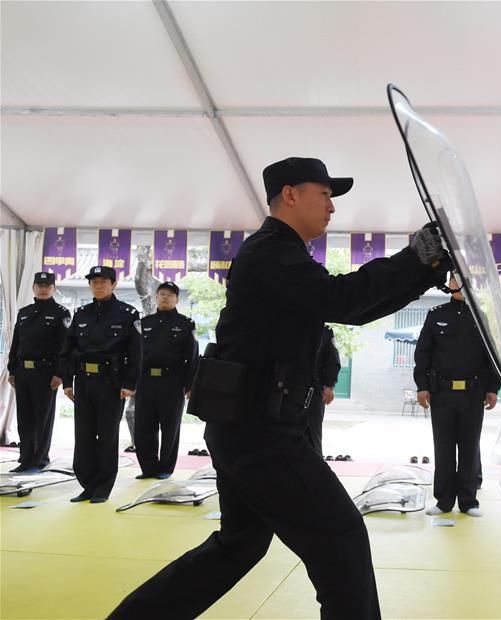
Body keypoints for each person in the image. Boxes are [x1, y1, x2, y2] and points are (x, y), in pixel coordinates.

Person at [109, 156, 448, 619]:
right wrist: (418, 258)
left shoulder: (282, 254)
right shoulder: (269, 252)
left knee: (239, 546)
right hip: (259, 435)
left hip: (252, 427)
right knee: (342, 539)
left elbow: (351, 306)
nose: (332, 207)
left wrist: (425, 269)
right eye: (325, 194)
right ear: (290, 194)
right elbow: (342, 299)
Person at [414, 275, 500, 517]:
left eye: (464, 279)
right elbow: (423, 353)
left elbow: (493, 356)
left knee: (469, 447)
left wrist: (493, 388)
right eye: (455, 279)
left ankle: (469, 501)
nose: (459, 284)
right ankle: (443, 501)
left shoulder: (482, 317)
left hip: (473, 394)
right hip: (442, 392)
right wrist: (422, 385)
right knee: (443, 447)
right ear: (450, 284)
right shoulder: (436, 314)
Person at [59, 265, 141, 503]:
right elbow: (68, 350)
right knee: (83, 436)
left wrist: (129, 384)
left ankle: (103, 487)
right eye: (94, 281)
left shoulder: (128, 314)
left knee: (106, 436)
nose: (98, 285)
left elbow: (136, 353)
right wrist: (67, 381)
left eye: (103, 281)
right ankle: (87, 484)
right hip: (84, 382)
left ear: (113, 284)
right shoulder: (81, 313)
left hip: (111, 383)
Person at [133, 281, 199, 479]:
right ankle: (148, 467)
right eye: (161, 294)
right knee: (144, 426)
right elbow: (134, 354)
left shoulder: (186, 324)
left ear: (177, 299)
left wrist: (190, 386)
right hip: (145, 381)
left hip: (172, 381)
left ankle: (165, 468)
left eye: (170, 295)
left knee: (170, 427)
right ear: (156, 297)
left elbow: (193, 357)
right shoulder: (144, 323)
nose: (165, 297)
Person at [6, 272, 70, 473]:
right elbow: (16, 343)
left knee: (43, 418)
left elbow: (65, 346)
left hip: (46, 373)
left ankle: (40, 460)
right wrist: (12, 369)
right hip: (23, 372)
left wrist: (60, 373)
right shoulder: (24, 312)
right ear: (33, 287)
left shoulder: (61, 313)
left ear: (54, 288)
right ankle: (25, 459)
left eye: (47, 286)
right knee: (24, 417)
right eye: (39, 285)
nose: (43, 289)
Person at [304, 325, 341, 456]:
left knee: (313, 436)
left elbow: (332, 359)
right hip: (288, 390)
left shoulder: (325, 330)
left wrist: (329, 385)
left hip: (314, 391)